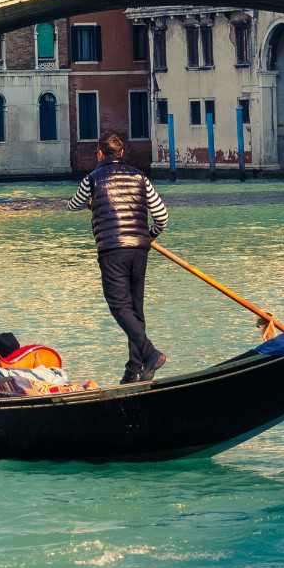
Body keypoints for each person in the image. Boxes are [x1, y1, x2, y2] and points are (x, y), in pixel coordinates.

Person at [70, 130, 170, 383]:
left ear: (100, 154)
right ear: (122, 153)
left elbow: (73, 204)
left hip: (112, 250)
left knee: (119, 307)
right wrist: (151, 235)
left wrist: (89, 202)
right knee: (135, 310)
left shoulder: (92, 179)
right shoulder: (140, 177)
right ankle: (134, 371)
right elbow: (162, 216)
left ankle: (150, 354)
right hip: (139, 248)